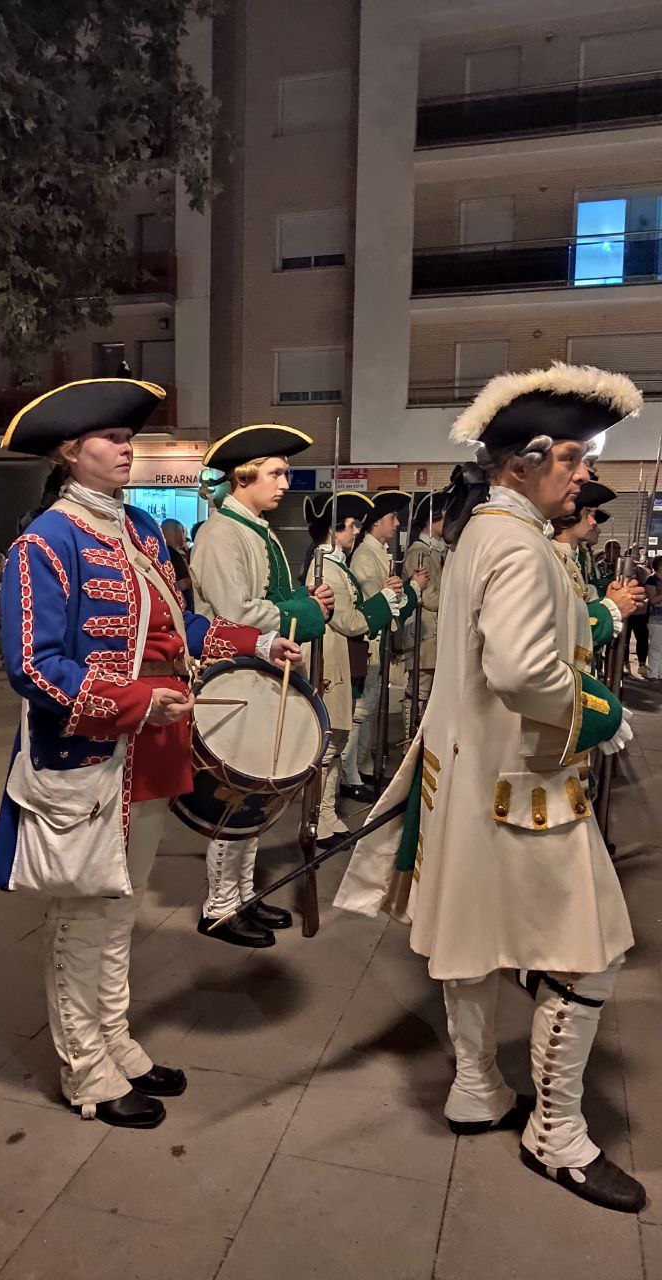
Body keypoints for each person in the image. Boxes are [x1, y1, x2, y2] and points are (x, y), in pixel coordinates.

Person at [336, 362, 649, 1213]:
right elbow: (519, 668)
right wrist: (592, 711)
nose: (586, 476)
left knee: (470, 942)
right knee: (592, 958)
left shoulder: (487, 531)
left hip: (477, 781)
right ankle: (556, 1135)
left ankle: (476, 1088)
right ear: (526, 460)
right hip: (527, 788)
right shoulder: (514, 542)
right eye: (576, 460)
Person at [0, 379, 300, 1131]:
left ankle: (117, 1043)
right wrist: (132, 702)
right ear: (70, 452)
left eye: (131, 437)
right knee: (84, 920)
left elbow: (181, 630)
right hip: (86, 759)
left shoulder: (142, 533)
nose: (129, 447)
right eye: (110, 437)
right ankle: (86, 1073)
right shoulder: (46, 542)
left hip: (151, 752)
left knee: (120, 913)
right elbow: (33, 665)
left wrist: (254, 642)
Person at [190, 424, 334, 947]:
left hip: (263, 670)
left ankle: (243, 895)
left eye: (286, 473)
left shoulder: (256, 528)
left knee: (259, 795)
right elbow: (236, 613)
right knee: (237, 796)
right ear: (242, 476)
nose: (285, 483)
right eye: (276, 472)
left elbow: (275, 593)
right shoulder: (221, 533)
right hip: (233, 672)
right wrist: (306, 610)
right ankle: (219, 906)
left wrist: (305, 599)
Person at [302, 491, 403, 842]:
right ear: (336, 528)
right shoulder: (326, 566)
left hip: (344, 656)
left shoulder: (335, 562)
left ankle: (326, 816)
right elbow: (346, 620)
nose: (357, 531)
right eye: (353, 525)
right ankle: (318, 818)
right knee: (329, 743)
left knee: (337, 737)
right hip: (331, 657)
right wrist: (384, 602)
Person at [339, 491, 427, 797]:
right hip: (367, 641)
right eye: (392, 517)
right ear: (378, 522)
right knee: (360, 711)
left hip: (376, 642)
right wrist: (412, 589)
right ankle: (350, 774)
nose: (397, 523)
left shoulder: (377, 552)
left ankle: (362, 766)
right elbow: (376, 607)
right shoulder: (365, 555)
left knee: (370, 708)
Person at [550, 481, 643, 654]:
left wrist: (611, 595)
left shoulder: (570, 558)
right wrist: (611, 606)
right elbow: (561, 628)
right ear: (567, 515)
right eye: (588, 513)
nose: (594, 523)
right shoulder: (550, 557)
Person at [402, 490, 447, 732]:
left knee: (428, 692)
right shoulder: (419, 552)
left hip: (435, 632)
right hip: (424, 632)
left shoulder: (437, 550)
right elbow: (428, 597)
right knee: (418, 690)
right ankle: (410, 739)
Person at [160, 518, 194, 610]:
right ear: (177, 532)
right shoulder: (174, 555)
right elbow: (182, 584)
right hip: (182, 608)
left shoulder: (160, 553)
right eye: (182, 531)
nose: (184, 535)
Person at [645, 555, 662, 679]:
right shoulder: (651, 580)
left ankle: (660, 673)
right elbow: (653, 599)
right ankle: (653, 673)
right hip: (656, 618)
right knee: (656, 647)